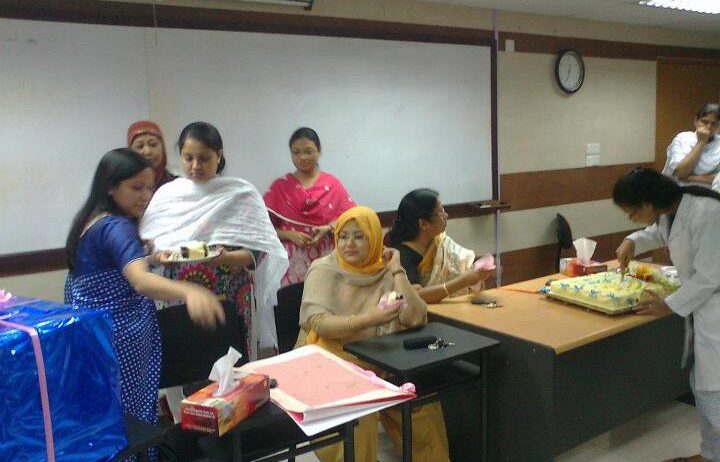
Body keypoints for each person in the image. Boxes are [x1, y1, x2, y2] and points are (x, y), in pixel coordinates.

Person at [64, 148, 224, 434]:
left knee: (104, 415)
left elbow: (110, 269)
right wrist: (190, 292)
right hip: (121, 341)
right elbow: (140, 281)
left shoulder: (91, 222)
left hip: (93, 339)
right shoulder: (116, 227)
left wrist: (148, 257)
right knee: (131, 416)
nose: (146, 196)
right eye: (136, 188)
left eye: (150, 188)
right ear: (111, 187)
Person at [296, 206, 450, 462]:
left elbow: (414, 318)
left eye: (359, 236)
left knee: (423, 405)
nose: (349, 244)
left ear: (375, 238)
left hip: (381, 362)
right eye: (343, 236)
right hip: (331, 363)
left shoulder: (385, 268)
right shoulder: (324, 269)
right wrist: (370, 319)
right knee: (360, 416)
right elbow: (318, 322)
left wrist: (397, 270)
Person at [140, 121, 288, 359]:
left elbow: (258, 252)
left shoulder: (241, 194)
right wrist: (159, 258)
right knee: (185, 364)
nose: (195, 166)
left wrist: (227, 258)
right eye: (188, 158)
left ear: (219, 156)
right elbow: (148, 249)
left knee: (234, 366)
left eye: (204, 158)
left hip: (232, 297)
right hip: (179, 299)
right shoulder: (167, 195)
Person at [614, 167, 720, 462]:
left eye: (632, 211)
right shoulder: (671, 210)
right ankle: (710, 455)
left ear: (649, 202)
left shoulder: (709, 212)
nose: (631, 217)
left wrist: (669, 304)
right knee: (704, 387)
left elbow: (710, 275)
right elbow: (660, 233)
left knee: (715, 391)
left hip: (715, 307)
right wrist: (633, 240)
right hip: (704, 311)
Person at [264, 127, 355, 286]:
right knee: (293, 301)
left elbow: (352, 220)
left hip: (327, 260)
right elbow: (263, 229)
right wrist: (289, 235)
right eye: (296, 152)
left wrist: (329, 229)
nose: (302, 157)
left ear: (319, 151)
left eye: (308, 151)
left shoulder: (332, 184)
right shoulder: (280, 187)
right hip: (290, 266)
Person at [386, 188, 492, 303]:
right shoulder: (401, 255)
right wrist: (463, 281)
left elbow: (463, 267)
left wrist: (476, 275)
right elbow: (413, 297)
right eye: (441, 212)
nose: (446, 215)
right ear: (423, 223)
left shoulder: (440, 242)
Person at [662, 103, 720, 188]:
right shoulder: (683, 139)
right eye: (704, 122)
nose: (709, 127)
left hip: (708, 192)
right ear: (696, 121)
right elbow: (680, 174)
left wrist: (692, 178)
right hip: (677, 190)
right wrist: (701, 142)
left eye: (714, 124)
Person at [127, 120, 177, 192]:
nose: (148, 151)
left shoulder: (177, 186)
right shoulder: (123, 188)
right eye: (140, 146)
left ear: (163, 148)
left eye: (153, 144)